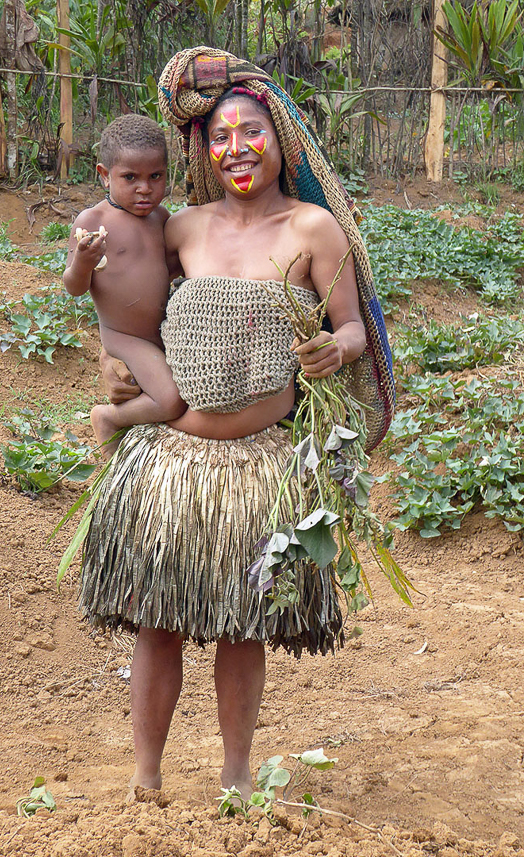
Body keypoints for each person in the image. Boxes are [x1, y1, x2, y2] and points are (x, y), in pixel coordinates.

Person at [79, 47, 395, 799]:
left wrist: (331, 347)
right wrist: (111, 363)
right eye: (219, 138)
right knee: (155, 622)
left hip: (260, 467)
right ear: (204, 149)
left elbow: (353, 328)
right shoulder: (179, 227)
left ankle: (236, 775)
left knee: (240, 626)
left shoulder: (314, 229)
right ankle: (146, 777)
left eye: (249, 132)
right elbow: (129, 311)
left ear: (279, 136)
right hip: (171, 462)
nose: (235, 149)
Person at [63, 113, 185, 456]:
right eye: (130, 177)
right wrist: (84, 262)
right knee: (170, 399)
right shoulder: (93, 221)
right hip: (125, 337)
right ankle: (109, 419)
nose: (145, 188)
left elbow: (166, 269)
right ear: (105, 176)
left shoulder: (161, 219)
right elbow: (73, 286)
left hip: (160, 333)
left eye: (155, 176)